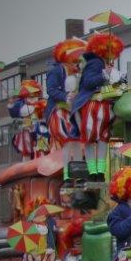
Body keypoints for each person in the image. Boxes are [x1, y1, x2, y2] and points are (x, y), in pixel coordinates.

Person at [76, 32, 127, 180]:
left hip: (105, 107)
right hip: (94, 106)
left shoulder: (106, 65)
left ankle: (99, 172)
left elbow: (115, 82)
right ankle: (94, 172)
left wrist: (120, 80)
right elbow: (88, 82)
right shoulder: (96, 63)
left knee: (102, 139)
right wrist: (104, 74)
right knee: (92, 139)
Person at [42, 38, 87, 177]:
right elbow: (51, 90)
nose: (78, 61)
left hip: (73, 111)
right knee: (67, 138)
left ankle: (77, 171)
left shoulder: (79, 73)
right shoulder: (57, 71)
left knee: (77, 140)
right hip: (59, 112)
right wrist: (66, 96)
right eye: (75, 58)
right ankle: (67, 173)